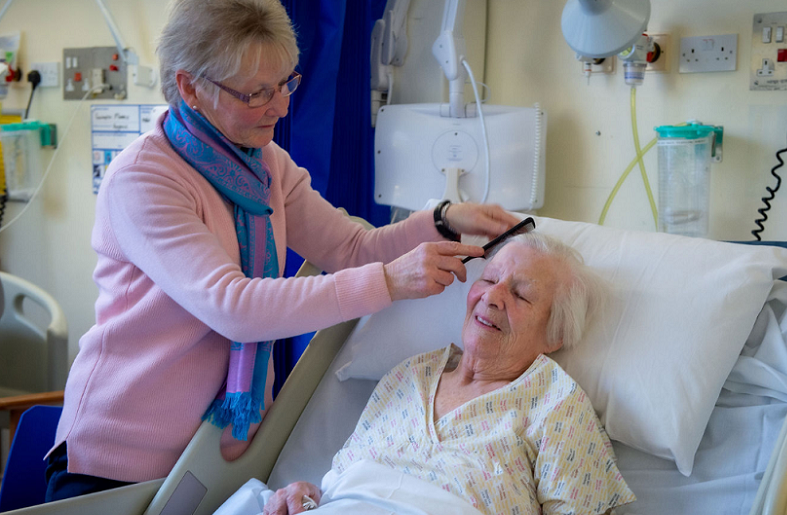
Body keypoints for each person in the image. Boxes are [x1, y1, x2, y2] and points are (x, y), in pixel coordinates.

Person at [44, 0, 519, 503]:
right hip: (117, 462)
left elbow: (351, 246)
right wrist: (389, 282)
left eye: (285, 83)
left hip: (217, 457)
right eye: (256, 93)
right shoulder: (143, 180)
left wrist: (441, 220)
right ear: (189, 86)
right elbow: (235, 307)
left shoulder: (264, 163)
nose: (281, 106)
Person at [256, 233, 635, 515]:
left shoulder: (557, 405)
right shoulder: (410, 375)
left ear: (556, 335)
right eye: (488, 280)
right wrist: (303, 496)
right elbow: (339, 485)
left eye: (520, 295)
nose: (492, 296)